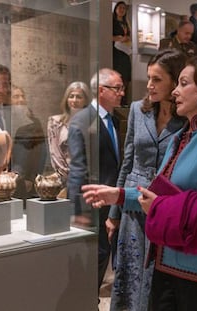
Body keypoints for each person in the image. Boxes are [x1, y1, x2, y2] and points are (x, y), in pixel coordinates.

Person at [82, 56, 197, 311]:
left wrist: (160, 208)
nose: (175, 91)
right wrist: (117, 195)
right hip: (167, 264)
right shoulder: (183, 136)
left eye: (183, 83)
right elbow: (157, 196)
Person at [107, 49, 188, 311]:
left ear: (175, 81)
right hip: (132, 203)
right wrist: (114, 212)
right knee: (129, 271)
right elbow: (127, 161)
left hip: (164, 203)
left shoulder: (186, 118)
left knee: (156, 274)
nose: (150, 85)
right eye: (149, 78)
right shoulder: (136, 110)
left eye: (157, 79)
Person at [67, 68, 123, 296]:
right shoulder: (81, 121)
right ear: (101, 90)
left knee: (106, 254)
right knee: (96, 256)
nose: (122, 93)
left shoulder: (116, 120)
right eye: (117, 88)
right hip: (94, 203)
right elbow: (77, 168)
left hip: (114, 201)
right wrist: (78, 209)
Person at [47, 81, 91, 197]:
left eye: (79, 97)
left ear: (86, 100)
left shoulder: (92, 123)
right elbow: (55, 152)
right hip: (63, 177)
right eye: (71, 96)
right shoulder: (55, 122)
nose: (74, 100)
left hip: (86, 178)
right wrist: (67, 175)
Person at [10, 85, 47, 200]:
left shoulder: (34, 122)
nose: (21, 100)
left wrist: (31, 178)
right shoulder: (5, 120)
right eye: (16, 96)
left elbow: (42, 152)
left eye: (22, 96)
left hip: (25, 180)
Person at [112, 1, 131, 106]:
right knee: (117, 74)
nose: (122, 10)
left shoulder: (126, 23)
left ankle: (124, 101)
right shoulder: (112, 21)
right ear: (116, 9)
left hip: (125, 51)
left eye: (124, 8)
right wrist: (117, 38)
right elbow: (107, 35)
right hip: (116, 50)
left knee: (126, 76)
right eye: (120, 8)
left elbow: (128, 35)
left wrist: (127, 38)